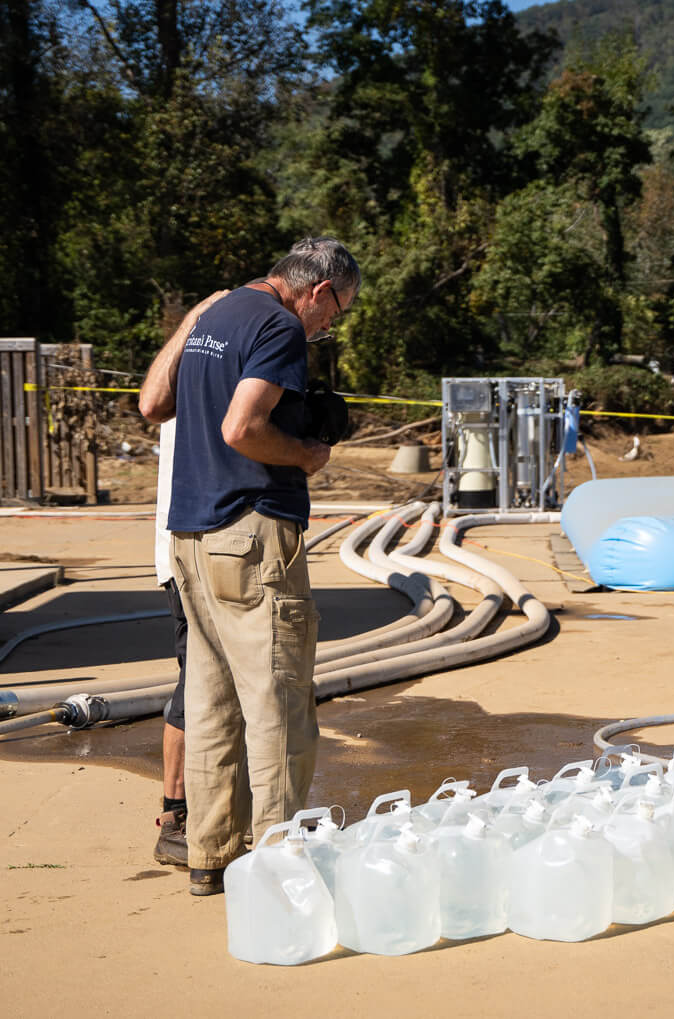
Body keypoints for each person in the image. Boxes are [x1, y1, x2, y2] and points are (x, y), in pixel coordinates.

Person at [140, 237, 360, 895]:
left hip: (189, 538)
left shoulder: (215, 316)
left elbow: (153, 405)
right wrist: (305, 454)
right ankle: (279, 858)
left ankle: (210, 854)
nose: (327, 328)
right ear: (319, 290)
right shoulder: (279, 325)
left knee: (211, 705)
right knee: (278, 701)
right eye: (337, 311)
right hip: (251, 532)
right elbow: (243, 428)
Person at [143, 291, 229, 867]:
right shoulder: (195, 375)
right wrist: (194, 318)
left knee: (214, 682)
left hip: (207, 551)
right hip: (188, 554)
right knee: (195, 684)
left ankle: (213, 806)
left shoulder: (205, 364)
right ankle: (176, 812)